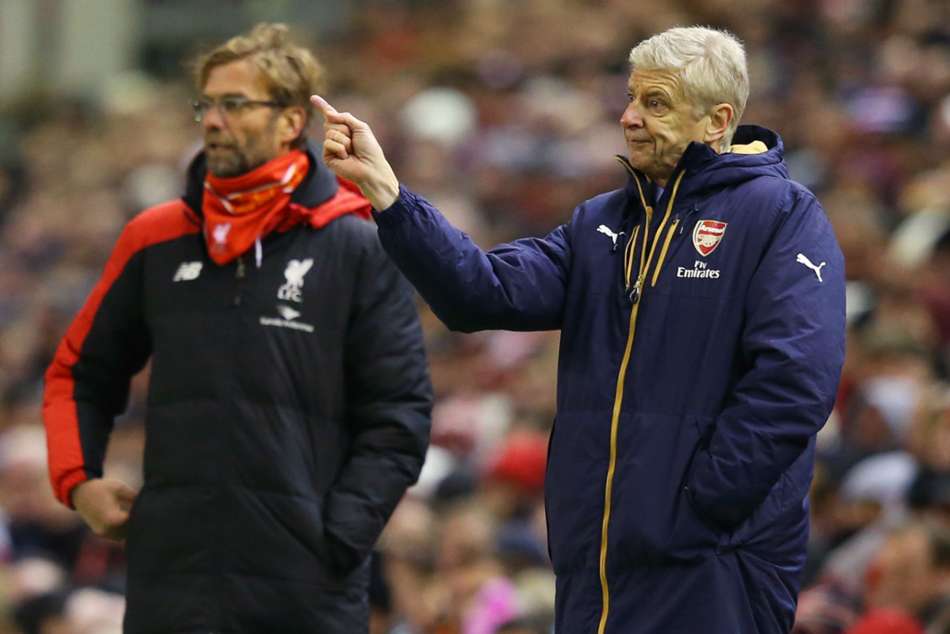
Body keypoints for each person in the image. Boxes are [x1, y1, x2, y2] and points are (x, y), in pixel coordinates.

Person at [314, 25, 846, 634]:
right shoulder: (603, 223)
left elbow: (796, 380)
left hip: (712, 565)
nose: (629, 118)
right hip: (594, 562)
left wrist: (694, 507)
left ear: (717, 120)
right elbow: (481, 293)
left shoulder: (782, 215)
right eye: (631, 98)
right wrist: (387, 193)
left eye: (655, 103)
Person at [42, 23, 431, 633]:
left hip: (306, 586)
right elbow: (77, 373)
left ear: (290, 122)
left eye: (235, 104)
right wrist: (78, 481)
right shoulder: (157, 236)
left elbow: (400, 412)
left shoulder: (356, 240)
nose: (213, 120)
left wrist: (337, 534)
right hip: (172, 581)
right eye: (207, 103)